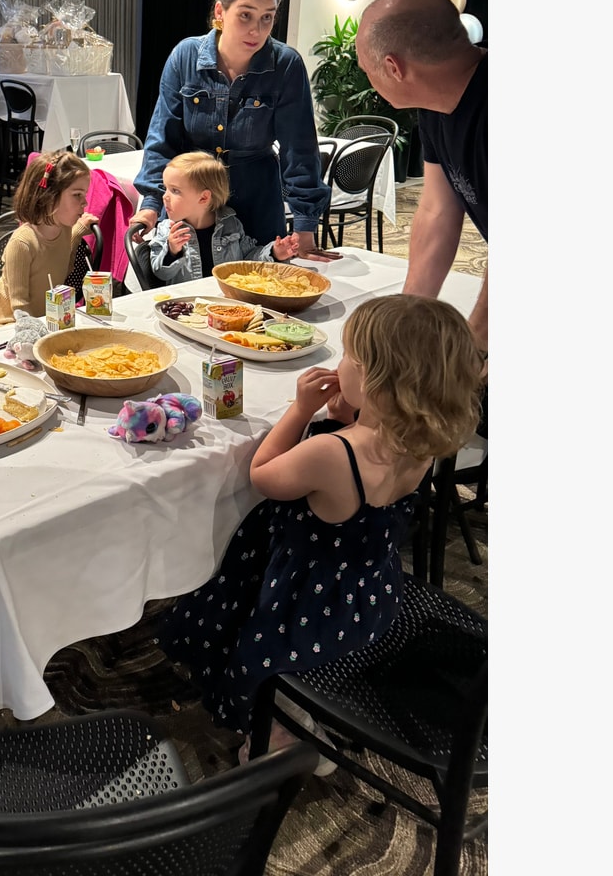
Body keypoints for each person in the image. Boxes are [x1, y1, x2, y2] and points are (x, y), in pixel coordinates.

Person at [156, 295, 482, 768]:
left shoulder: (332, 453)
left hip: (301, 600)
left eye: (350, 356)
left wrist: (300, 409)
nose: (340, 362)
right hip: (367, 593)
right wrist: (343, 419)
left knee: (258, 655)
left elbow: (264, 476)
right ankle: (318, 695)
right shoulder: (423, 442)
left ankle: (285, 728)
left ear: (374, 381)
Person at [131, 0, 339, 263]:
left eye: (267, 17)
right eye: (245, 15)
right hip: (192, 206)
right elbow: (162, 139)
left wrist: (305, 229)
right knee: (188, 287)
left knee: (258, 288)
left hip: (257, 203)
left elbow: (300, 150)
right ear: (220, 11)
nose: (257, 29)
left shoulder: (286, 65)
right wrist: (151, 203)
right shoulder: (185, 56)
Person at [354, 0, 488, 358]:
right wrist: (405, 318)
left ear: (393, 68)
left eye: (367, 70)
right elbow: (437, 210)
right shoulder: (434, 104)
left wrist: (476, 343)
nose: (369, 82)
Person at [0, 150, 99, 341]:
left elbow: (62, 264)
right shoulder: (22, 243)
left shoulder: (65, 228)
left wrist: (77, 232)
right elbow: (20, 306)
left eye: (84, 194)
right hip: (1, 319)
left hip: (35, 321)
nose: (85, 202)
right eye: (77, 195)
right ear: (49, 195)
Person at [147, 150, 301, 283]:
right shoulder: (167, 229)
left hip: (228, 300)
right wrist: (172, 251)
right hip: (187, 304)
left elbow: (248, 259)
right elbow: (160, 274)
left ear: (204, 198)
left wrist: (274, 253)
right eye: (165, 188)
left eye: (175, 191)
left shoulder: (231, 224)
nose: (165, 197)